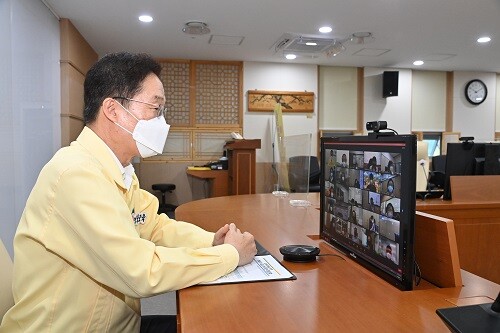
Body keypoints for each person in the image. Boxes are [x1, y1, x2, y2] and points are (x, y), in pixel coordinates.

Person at [0, 52, 257, 333]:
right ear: (112, 110)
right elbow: (142, 272)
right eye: (155, 108)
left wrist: (211, 241)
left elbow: (154, 227)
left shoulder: (119, 170)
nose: (162, 122)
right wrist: (229, 255)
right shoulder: (76, 174)